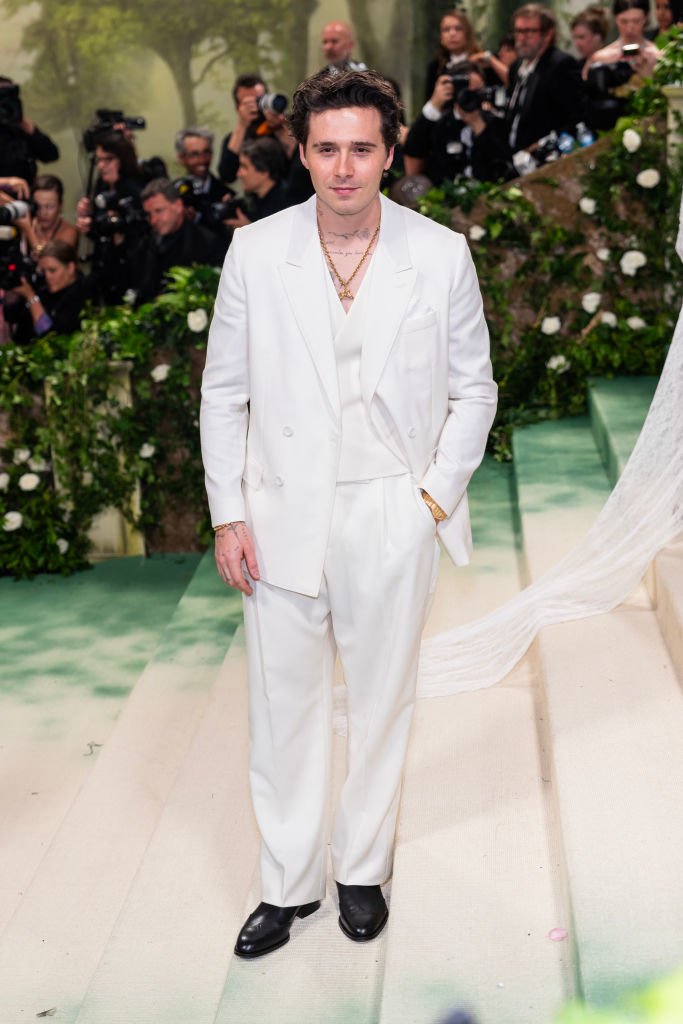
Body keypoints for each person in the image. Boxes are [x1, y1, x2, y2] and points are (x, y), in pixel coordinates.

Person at [199, 68, 497, 958]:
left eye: (360, 148)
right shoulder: (256, 252)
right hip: (278, 511)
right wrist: (227, 513)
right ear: (301, 152)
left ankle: (360, 869)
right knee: (279, 705)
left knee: (380, 701)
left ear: (389, 152)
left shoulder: (438, 253)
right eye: (325, 148)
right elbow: (223, 394)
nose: (342, 167)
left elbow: (473, 391)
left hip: (389, 511)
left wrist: (431, 496)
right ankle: (285, 886)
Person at [404, 63, 512, 185]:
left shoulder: (494, 122)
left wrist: (478, 125)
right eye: (466, 92)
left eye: (477, 92)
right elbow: (413, 150)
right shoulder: (440, 124)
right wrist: (434, 104)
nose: (471, 98)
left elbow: (502, 167)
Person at [75, 131, 147, 304]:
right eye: (99, 160)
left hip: (132, 271)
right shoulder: (101, 185)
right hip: (106, 270)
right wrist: (88, 224)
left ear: (122, 159)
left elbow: (141, 232)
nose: (101, 165)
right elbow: (102, 230)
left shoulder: (134, 189)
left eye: (108, 159)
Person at [506, 3, 585, 154]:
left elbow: (575, 118)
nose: (522, 38)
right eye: (518, 31)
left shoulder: (560, 65)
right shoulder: (515, 67)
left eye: (529, 32)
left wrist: (542, 145)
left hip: (546, 158)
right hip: (515, 156)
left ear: (548, 34)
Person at [138, 178, 227, 300]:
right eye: (149, 214)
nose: (153, 221)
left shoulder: (207, 244)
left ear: (178, 206)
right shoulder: (148, 242)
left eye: (159, 211)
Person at [3, 240, 94, 342]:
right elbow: (12, 316)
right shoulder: (43, 287)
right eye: (43, 271)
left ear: (71, 267)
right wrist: (11, 289)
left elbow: (52, 338)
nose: (47, 277)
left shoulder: (84, 293)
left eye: (52, 270)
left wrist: (31, 297)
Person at [0, 78, 59, 187]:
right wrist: (7, 183)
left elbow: (51, 154)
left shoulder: (21, 129)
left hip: (27, 197)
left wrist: (24, 123)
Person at [224, 137, 293, 230]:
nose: (238, 174)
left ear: (263, 171)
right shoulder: (254, 200)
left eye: (244, 167)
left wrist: (249, 230)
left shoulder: (287, 207)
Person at [584, 0, 661, 79]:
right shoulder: (601, 58)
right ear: (615, 18)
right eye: (624, 21)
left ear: (646, 18)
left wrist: (649, 76)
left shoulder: (656, 55)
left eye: (636, 21)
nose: (629, 28)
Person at [12, 174, 78, 259]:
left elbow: (48, 262)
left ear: (60, 205)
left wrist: (29, 230)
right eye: (38, 207)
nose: (43, 213)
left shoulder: (69, 231)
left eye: (49, 207)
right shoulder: (29, 225)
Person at [424, 10, 484, 100]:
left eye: (458, 28)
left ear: (467, 33)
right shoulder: (435, 68)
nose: (452, 34)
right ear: (441, 36)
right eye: (446, 30)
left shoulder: (481, 63)